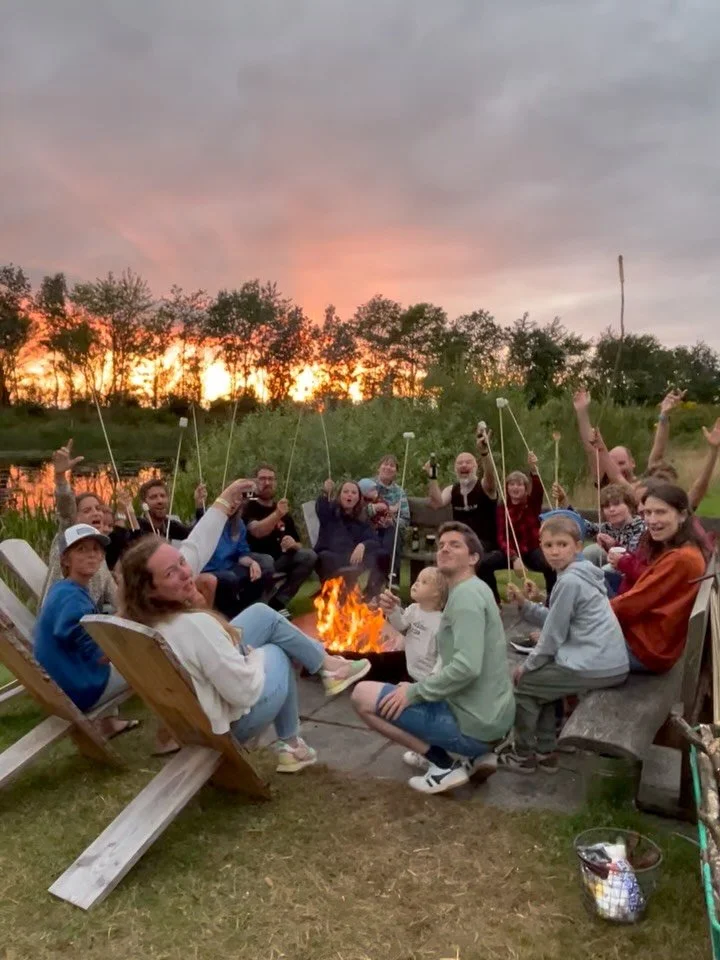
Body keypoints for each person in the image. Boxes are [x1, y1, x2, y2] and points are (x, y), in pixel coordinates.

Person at [117, 496, 372, 773]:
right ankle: (291, 741)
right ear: (150, 590)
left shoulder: (146, 620)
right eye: (170, 573)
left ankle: (326, 666)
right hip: (228, 724)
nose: (185, 573)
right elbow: (242, 692)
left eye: (182, 562)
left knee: (262, 615)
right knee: (277, 651)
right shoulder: (194, 626)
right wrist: (255, 657)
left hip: (197, 711)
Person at [351, 521, 515, 795]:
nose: (444, 549)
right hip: (491, 720)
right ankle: (475, 756)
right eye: (440, 545)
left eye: (455, 544)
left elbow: (466, 667)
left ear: (473, 557)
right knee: (403, 689)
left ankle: (443, 765)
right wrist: (419, 689)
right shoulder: (477, 589)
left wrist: (416, 692)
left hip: (475, 725)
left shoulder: (465, 599)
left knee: (361, 695)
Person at [496, 515, 629, 774]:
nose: (555, 551)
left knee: (525, 685)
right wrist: (526, 605)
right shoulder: (580, 575)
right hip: (607, 660)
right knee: (541, 682)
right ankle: (546, 752)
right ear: (541, 547)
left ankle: (523, 754)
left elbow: (553, 636)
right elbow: (558, 620)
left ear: (577, 547)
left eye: (562, 544)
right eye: (548, 546)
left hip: (595, 663)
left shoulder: (569, 581)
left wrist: (528, 665)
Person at [34, 523, 138, 738]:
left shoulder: (65, 589)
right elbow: (101, 655)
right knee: (149, 664)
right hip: (79, 689)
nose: (92, 555)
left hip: (64, 683)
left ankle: (110, 724)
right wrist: (128, 615)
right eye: (81, 550)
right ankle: (169, 735)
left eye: (96, 549)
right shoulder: (71, 598)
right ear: (65, 559)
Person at [610, 483, 708, 673]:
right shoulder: (685, 549)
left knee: (563, 653)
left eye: (661, 512)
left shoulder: (681, 559)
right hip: (654, 641)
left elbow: (633, 603)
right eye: (647, 513)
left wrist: (586, 617)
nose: (651, 520)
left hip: (646, 649)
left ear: (682, 515)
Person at [425, 425, 505, 603]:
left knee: (472, 558)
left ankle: (492, 603)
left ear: (476, 467)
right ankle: (448, 601)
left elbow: (491, 477)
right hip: (461, 542)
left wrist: (485, 453)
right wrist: (432, 478)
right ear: (455, 469)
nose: (463, 465)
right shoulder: (452, 489)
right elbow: (437, 502)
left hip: (488, 543)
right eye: (459, 463)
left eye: (468, 462)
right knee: (448, 554)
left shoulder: (484, 486)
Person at [381, 565, 448, 769]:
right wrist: (392, 611)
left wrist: (435, 678)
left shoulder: (441, 622)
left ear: (437, 593)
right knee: (419, 718)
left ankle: (431, 755)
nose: (416, 583)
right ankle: (425, 750)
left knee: (431, 719)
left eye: (424, 582)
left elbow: (444, 655)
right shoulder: (412, 610)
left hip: (430, 680)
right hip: (414, 675)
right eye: (417, 579)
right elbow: (401, 626)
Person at [41, 440, 117, 610]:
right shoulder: (67, 538)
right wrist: (60, 478)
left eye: (98, 509)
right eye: (87, 510)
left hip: (87, 625)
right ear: (75, 519)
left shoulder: (99, 557)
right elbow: (66, 508)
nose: (96, 513)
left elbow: (116, 597)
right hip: (59, 622)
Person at [244, 463, 318, 615]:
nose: (267, 483)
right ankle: (262, 608)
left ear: (275, 483)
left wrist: (293, 544)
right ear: (255, 482)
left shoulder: (282, 509)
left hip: (281, 559)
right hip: (255, 562)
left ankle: (278, 602)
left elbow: (299, 543)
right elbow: (256, 530)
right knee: (267, 562)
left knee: (309, 556)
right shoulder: (249, 506)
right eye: (262, 479)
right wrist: (277, 514)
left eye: (271, 479)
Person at [200, 502, 275, 619]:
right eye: (231, 500)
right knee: (230, 578)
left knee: (258, 573)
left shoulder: (238, 524)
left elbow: (241, 554)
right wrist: (199, 506)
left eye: (237, 502)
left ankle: (250, 612)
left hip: (229, 566)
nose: (233, 505)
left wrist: (252, 563)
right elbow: (198, 526)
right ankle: (231, 616)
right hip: (210, 569)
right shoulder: (210, 521)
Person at [496, 452, 556, 595]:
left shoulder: (531, 504)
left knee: (550, 565)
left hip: (531, 549)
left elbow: (538, 489)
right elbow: (501, 538)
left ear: (525, 488)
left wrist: (534, 470)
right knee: (486, 563)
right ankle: (493, 600)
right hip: (511, 552)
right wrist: (513, 557)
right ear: (506, 487)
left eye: (519, 484)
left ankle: (553, 600)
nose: (515, 488)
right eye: (511, 484)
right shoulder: (501, 508)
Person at [314, 479, 388, 594]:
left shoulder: (360, 519)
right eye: (346, 492)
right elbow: (321, 507)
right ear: (339, 496)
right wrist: (326, 491)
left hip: (352, 558)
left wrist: (363, 545)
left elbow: (375, 540)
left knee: (383, 555)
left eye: (354, 493)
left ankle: (371, 593)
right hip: (331, 557)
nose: (349, 495)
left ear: (358, 498)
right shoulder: (330, 512)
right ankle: (333, 593)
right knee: (325, 557)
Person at [580, 484, 645, 569]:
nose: (611, 509)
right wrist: (564, 503)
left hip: (635, 569)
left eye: (616, 504)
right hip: (616, 565)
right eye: (607, 506)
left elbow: (634, 557)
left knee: (607, 569)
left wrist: (613, 545)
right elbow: (582, 524)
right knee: (591, 551)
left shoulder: (640, 526)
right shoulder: (607, 527)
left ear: (629, 506)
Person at [137, 478, 207, 540]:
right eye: (153, 497)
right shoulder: (136, 527)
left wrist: (199, 506)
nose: (160, 501)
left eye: (163, 496)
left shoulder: (169, 525)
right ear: (143, 503)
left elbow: (194, 534)